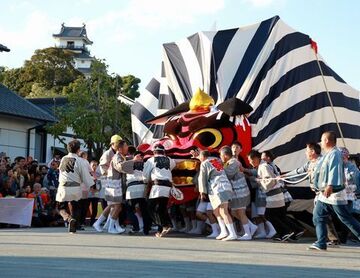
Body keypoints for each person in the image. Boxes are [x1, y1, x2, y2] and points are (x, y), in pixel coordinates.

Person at [309, 131, 360, 251]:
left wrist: (330, 185)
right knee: (318, 216)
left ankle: (321, 242)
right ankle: (321, 242)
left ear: (327, 140)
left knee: (345, 218)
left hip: (333, 192)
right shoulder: (328, 154)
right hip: (325, 194)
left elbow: (334, 169)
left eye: (322, 140)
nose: (320, 143)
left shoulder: (335, 154)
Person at [247, 150, 295, 241]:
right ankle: (290, 232)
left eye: (251, 160)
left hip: (273, 194)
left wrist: (259, 181)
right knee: (279, 215)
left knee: (269, 215)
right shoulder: (265, 165)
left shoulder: (263, 166)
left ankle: (285, 232)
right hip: (276, 193)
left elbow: (270, 181)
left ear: (257, 158)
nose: (250, 162)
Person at [55, 140, 95, 233]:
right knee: (76, 206)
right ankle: (74, 222)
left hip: (64, 186)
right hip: (75, 187)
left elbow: (61, 172)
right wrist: (91, 184)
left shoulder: (63, 159)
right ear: (78, 150)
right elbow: (85, 175)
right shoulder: (81, 161)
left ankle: (69, 219)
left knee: (60, 207)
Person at [198, 150, 237, 241]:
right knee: (216, 211)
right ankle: (224, 231)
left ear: (203, 157)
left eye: (200, 157)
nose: (199, 159)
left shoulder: (204, 163)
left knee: (223, 211)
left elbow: (202, 178)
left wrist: (202, 191)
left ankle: (232, 233)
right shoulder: (217, 160)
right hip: (223, 186)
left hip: (218, 187)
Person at [220, 146, 257, 240]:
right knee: (234, 212)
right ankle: (251, 226)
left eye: (220, 155)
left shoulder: (234, 162)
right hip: (235, 192)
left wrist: (218, 168)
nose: (220, 157)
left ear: (225, 155)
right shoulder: (229, 162)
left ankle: (248, 234)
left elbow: (228, 174)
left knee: (240, 212)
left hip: (240, 191)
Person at [143, 144, 176, 237]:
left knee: (150, 207)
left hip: (157, 186)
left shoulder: (150, 160)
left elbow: (145, 176)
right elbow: (172, 166)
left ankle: (165, 225)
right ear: (164, 151)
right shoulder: (169, 160)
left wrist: (147, 181)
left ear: (154, 152)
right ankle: (165, 227)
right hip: (167, 186)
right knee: (161, 208)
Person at [93, 134, 122, 232]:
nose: (119, 145)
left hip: (114, 180)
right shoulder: (107, 153)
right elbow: (102, 167)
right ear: (112, 144)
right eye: (118, 143)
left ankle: (110, 224)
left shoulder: (117, 152)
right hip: (108, 180)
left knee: (114, 205)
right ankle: (112, 225)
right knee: (114, 204)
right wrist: (110, 172)